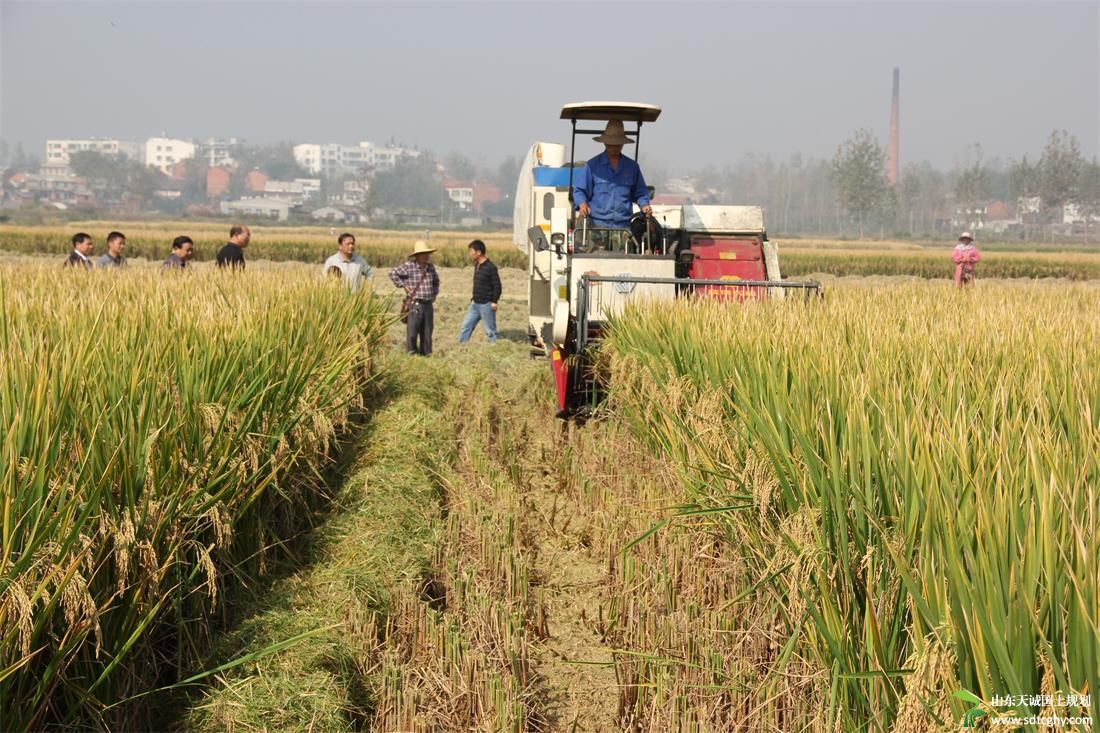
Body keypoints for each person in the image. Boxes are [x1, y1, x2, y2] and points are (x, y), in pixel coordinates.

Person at [573, 120, 652, 231]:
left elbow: (641, 193)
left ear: (622, 144)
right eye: (612, 144)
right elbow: (580, 190)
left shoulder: (632, 167)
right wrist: (582, 204)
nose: (615, 147)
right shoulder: (592, 166)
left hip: (624, 227)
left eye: (618, 144)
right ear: (605, 143)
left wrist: (644, 206)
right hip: (597, 227)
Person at [389, 240, 440, 356]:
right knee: (412, 331)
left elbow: (436, 281)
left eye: (427, 254)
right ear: (417, 255)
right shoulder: (409, 266)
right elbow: (392, 273)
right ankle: (411, 353)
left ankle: (426, 354)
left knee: (427, 332)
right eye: (423, 254)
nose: (426, 256)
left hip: (428, 304)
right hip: (415, 303)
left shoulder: (430, 267)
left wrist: (435, 293)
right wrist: (404, 286)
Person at [458, 240, 501, 344]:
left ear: (479, 252)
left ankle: (494, 349)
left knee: (490, 331)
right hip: (475, 304)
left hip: (486, 304)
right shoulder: (477, 265)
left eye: (471, 251)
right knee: (466, 326)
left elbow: (497, 286)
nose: (470, 254)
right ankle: (462, 348)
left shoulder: (490, 267)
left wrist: (494, 301)